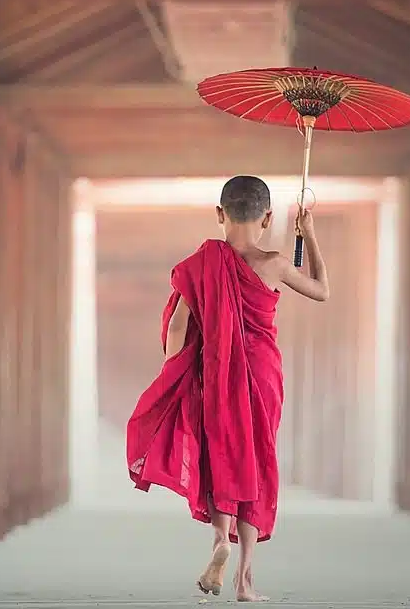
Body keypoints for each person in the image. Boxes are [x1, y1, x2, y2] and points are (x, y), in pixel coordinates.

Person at [126, 175, 329, 602]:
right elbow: (320, 290)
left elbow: (179, 323)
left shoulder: (201, 263)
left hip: (215, 372)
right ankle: (245, 579)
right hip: (262, 374)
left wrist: (174, 371)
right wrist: (308, 235)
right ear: (268, 216)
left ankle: (220, 540)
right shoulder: (274, 262)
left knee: (221, 454)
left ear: (220, 214)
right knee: (256, 460)